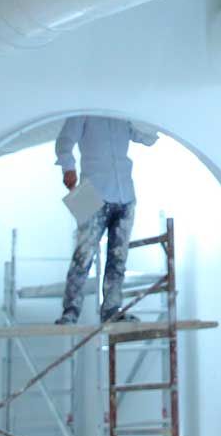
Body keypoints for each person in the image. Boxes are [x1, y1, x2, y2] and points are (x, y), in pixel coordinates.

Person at [54, 114, 158, 325]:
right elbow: (64, 141)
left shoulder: (123, 115)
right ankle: (70, 313)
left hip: (126, 195)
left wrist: (143, 111)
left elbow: (149, 138)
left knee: (118, 259)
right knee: (83, 256)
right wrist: (68, 167)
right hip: (89, 191)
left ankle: (111, 311)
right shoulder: (84, 111)